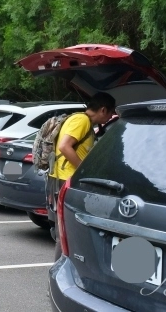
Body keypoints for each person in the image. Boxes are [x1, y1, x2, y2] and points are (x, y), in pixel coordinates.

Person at [47, 92, 116, 241]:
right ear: (103, 110)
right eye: (111, 112)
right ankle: (63, 257)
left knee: (65, 232)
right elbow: (64, 146)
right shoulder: (82, 120)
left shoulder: (82, 120)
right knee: (66, 233)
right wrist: (83, 170)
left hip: (62, 178)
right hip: (67, 179)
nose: (111, 117)